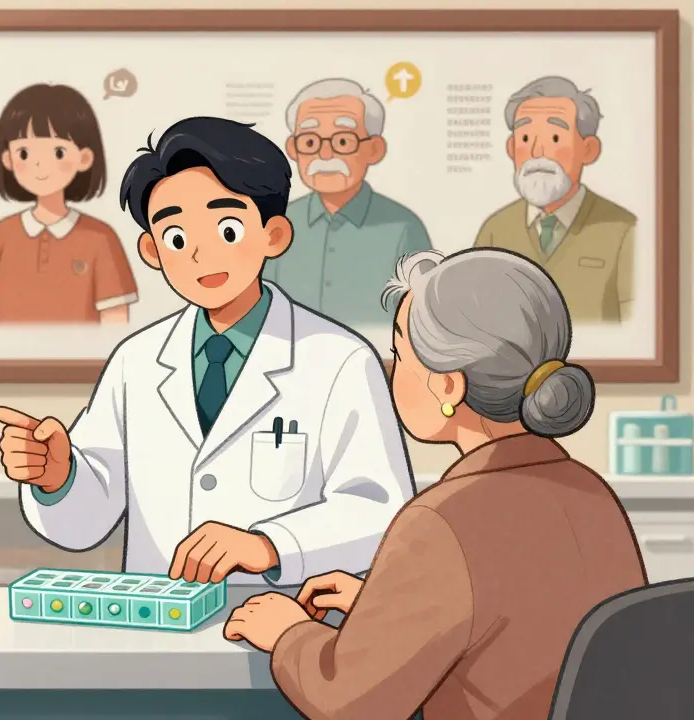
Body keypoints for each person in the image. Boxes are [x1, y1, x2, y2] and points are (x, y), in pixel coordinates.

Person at [224, 248, 646, 720]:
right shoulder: (591, 493)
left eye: (399, 354)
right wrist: (384, 610)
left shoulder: (443, 520)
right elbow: (517, 620)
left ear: (448, 386)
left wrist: (288, 632)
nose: (392, 371)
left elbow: (350, 704)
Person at [0, 116, 413, 588]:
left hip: (284, 621)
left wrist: (267, 545)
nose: (200, 255)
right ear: (152, 251)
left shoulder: (338, 360)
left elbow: (379, 511)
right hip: (158, 616)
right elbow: (86, 522)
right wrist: (58, 477)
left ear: (274, 235)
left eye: (227, 229)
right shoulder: (136, 361)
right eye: (177, 238)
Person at [0, 84, 138, 326]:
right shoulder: (1, 235)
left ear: (84, 158)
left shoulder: (101, 238)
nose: (39, 164)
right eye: (24, 153)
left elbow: (115, 325)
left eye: (58, 152)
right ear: (8, 159)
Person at [262, 78, 431, 328]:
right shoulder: (278, 222)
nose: (325, 154)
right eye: (310, 142)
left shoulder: (404, 227)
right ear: (293, 149)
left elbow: (424, 323)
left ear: (374, 149)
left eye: (343, 141)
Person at [474, 76, 635, 323]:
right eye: (525, 139)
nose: (537, 151)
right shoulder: (495, 230)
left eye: (555, 139)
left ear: (589, 150)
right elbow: (474, 321)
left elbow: (641, 330)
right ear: (512, 148)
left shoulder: (624, 231)